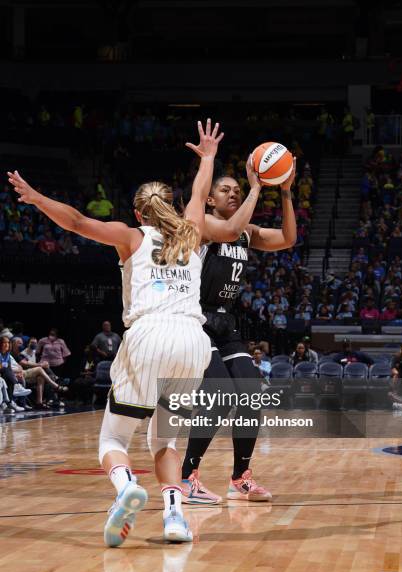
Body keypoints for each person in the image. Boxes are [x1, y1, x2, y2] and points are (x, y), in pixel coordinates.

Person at [8, 117, 223, 545]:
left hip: (150, 335)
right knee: (165, 440)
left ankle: (126, 488)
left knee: (112, 437)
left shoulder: (131, 236)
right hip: (193, 341)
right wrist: (208, 157)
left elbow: (75, 222)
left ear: (139, 212)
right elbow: (201, 192)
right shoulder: (193, 232)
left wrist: (35, 198)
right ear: (173, 207)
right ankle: (175, 518)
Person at [178, 155, 297, 504]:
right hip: (195, 319)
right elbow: (229, 231)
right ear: (210, 199)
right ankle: (187, 477)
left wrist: (286, 193)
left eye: (237, 189)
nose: (233, 193)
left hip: (225, 321)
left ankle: (240, 477)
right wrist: (258, 185)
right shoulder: (202, 226)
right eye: (225, 190)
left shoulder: (245, 233)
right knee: (218, 397)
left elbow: (288, 239)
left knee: (252, 394)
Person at [11, 337, 67, 409]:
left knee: (41, 377)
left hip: (26, 374)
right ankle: (56, 385)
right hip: (22, 374)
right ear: (13, 344)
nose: (21, 344)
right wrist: (41, 364)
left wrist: (42, 364)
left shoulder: (29, 353)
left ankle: (39, 402)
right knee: (40, 369)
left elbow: (21, 365)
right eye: (19, 343)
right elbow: (24, 364)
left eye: (21, 343)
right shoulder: (18, 354)